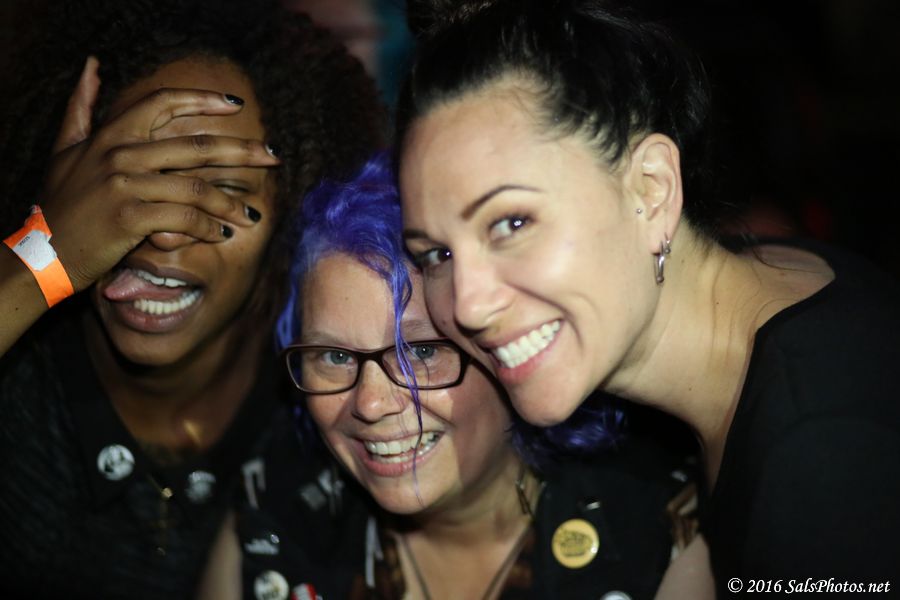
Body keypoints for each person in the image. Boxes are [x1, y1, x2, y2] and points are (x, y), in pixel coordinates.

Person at [394, 0, 900, 594]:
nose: (467, 305)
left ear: (651, 189)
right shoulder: (776, 275)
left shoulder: (820, 455)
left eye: (512, 224)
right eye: (436, 255)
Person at [0, 0, 381, 597]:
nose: (167, 232)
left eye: (225, 191)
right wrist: (43, 257)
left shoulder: (323, 390)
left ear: (290, 217)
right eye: (135, 179)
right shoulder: (22, 376)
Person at [204, 152, 697, 600]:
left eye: (421, 351)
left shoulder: (656, 531)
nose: (371, 403)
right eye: (334, 356)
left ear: (509, 353)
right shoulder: (276, 511)